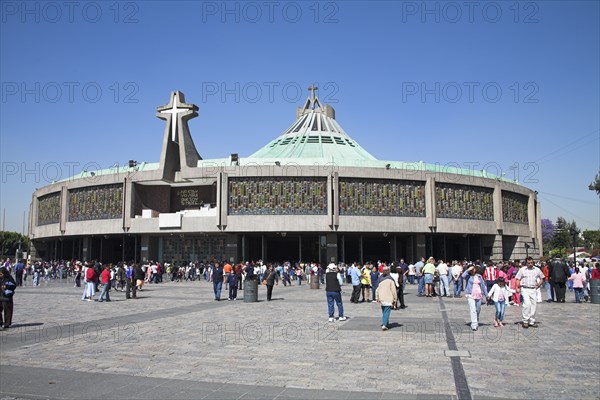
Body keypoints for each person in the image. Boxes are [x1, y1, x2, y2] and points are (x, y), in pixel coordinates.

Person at [515, 257, 546, 328]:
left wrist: (538, 285)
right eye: (529, 263)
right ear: (526, 263)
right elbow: (517, 279)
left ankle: (532, 321)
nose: (530, 264)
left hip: (533, 289)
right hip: (525, 288)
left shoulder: (537, 270)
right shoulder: (522, 270)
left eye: (531, 263)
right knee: (527, 304)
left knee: (533, 305)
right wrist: (517, 287)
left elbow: (543, 278)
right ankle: (525, 320)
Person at [462, 265, 488, 331]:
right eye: (471, 269)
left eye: (473, 269)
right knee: (473, 309)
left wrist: (487, 295)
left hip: (479, 295)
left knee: (478, 309)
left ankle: (476, 319)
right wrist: (468, 270)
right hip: (470, 295)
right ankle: (474, 324)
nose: (473, 270)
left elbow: (483, 286)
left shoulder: (479, 276)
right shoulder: (468, 276)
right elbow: (463, 276)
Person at [375, 266, 397, 331]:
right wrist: (395, 299)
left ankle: (386, 323)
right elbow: (394, 290)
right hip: (389, 298)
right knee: (387, 312)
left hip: (381, 297)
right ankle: (384, 324)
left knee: (384, 311)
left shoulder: (380, 279)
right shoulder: (391, 280)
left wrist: (377, 297)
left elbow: (377, 289)